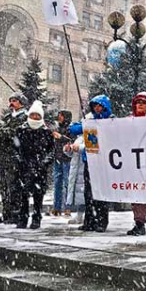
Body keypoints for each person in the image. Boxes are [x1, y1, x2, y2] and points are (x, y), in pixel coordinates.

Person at [69, 95, 114, 232]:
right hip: (89, 160)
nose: (97, 108)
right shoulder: (91, 121)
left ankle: (101, 220)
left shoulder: (111, 120)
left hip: (104, 162)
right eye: (94, 106)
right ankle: (89, 220)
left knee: (101, 193)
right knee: (88, 193)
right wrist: (85, 124)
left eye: (99, 106)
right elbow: (73, 129)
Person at [14, 101, 54, 229]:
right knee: (23, 194)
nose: (35, 118)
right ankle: (23, 217)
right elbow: (15, 148)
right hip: (24, 166)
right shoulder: (21, 130)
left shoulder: (46, 132)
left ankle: (37, 218)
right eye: (33, 115)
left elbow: (51, 150)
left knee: (38, 194)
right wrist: (19, 160)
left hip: (40, 167)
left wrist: (45, 162)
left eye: (38, 115)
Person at [0, 92, 29, 224]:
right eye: (11, 100)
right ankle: (5, 213)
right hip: (4, 156)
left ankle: (15, 213)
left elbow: (15, 132)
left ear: (21, 103)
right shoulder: (8, 117)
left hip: (15, 156)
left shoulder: (24, 117)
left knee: (14, 186)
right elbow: (2, 137)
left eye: (15, 100)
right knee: (4, 186)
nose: (11, 103)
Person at [127, 92, 146, 236]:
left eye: (143, 102)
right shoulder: (128, 120)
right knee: (134, 194)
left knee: (141, 193)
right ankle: (137, 222)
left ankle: (140, 223)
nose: (140, 104)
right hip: (131, 161)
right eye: (138, 102)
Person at [51, 109, 74, 217]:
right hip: (58, 159)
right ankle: (56, 208)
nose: (59, 117)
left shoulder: (71, 129)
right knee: (57, 184)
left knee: (67, 184)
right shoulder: (57, 128)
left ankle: (67, 207)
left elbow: (72, 141)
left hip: (67, 160)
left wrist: (61, 137)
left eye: (61, 115)